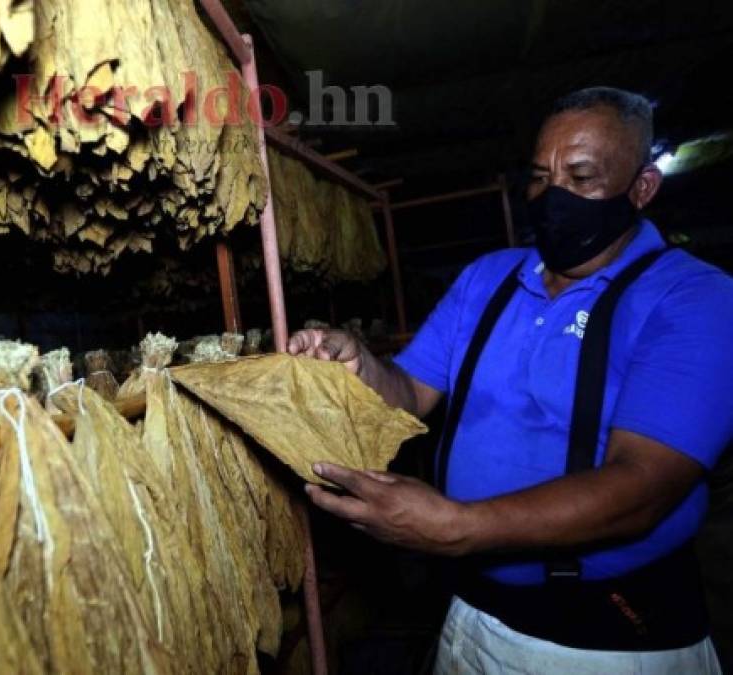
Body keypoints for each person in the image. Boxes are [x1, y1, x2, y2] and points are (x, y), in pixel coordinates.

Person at [289, 87, 733, 674]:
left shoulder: (698, 298)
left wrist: (459, 527)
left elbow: (645, 488)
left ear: (643, 187)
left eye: (582, 177)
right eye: (542, 176)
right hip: (472, 613)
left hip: (604, 640)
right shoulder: (488, 278)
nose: (555, 197)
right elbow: (410, 393)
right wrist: (359, 365)